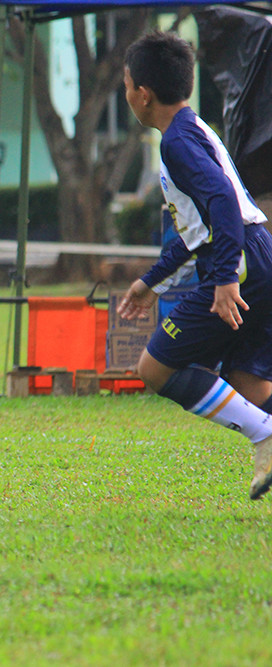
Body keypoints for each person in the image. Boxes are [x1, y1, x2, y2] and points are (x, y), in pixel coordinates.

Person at [117, 31, 272, 501]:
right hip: (258, 253)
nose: (126, 95)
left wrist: (225, 278)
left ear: (143, 94)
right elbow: (197, 227)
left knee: (155, 367)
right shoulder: (192, 127)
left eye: (125, 85)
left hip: (240, 263)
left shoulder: (177, 143)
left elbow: (223, 201)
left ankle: (265, 437)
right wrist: (149, 281)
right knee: (248, 384)